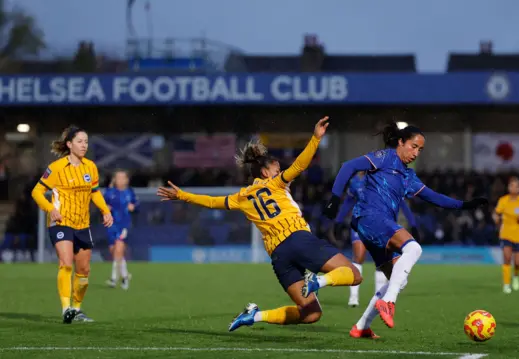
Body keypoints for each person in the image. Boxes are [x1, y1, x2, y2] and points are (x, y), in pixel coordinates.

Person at [156, 117, 363, 332]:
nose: (280, 173)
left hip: (279, 256)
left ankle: (254, 316)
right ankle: (317, 282)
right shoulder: (276, 183)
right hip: (297, 238)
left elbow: (212, 202)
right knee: (355, 275)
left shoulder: (242, 196)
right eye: (277, 169)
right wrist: (315, 139)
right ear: (265, 173)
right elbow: (300, 165)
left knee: (310, 313)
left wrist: (182, 195)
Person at [321, 123, 487, 337]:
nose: (416, 153)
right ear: (401, 142)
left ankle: (361, 326)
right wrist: (335, 198)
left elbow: (435, 197)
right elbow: (348, 166)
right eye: (413, 146)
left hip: (373, 226)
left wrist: (465, 205)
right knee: (414, 249)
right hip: (371, 218)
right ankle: (388, 303)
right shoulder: (385, 157)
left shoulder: (408, 176)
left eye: (420, 150)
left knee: (399, 279)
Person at [31, 125, 113, 324]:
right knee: (66, 263)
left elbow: (94, 192)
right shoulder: (57, 168)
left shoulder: (90, 167)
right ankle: (65, 308)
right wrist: (50, 209)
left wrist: (105, 210)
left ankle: (77, 310)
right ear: (69, 144)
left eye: (86, 142)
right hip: (61, 222)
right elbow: (36, 192)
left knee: (83, 270)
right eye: (80, 141)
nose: (84, 145)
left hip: (82, 224)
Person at [334, 171, 418, 307]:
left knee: (382, 262)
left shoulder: (387, 181)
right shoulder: (355, 182)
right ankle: (353, 297)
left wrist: (413, 224)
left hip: (382, 225)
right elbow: (348, 203)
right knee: (359, 256)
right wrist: (338, 221)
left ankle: (377, 298)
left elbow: (402, 204)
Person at [492, 176, 519, 294]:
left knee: (518, 262)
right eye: (512, 186)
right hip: (506, 234)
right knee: (507, 258)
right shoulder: (503, 200)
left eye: (516, 186)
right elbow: (496, 213)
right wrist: (495, 218)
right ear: (508, 187)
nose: (514, 188)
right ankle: (506, 284)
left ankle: (516, 276)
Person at [104, 170, 138, 290]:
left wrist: (133, 206)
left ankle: (113, 279)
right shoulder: (109, 192)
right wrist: (105, 208)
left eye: (123, 178)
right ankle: (124, 276)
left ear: (127, 180)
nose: (120, 180)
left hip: (124, 225)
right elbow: (102, 204)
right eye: (118, 178)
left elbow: (136, 204)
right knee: (114, 251)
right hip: (111, 225)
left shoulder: (129, 192)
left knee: (118, 249)